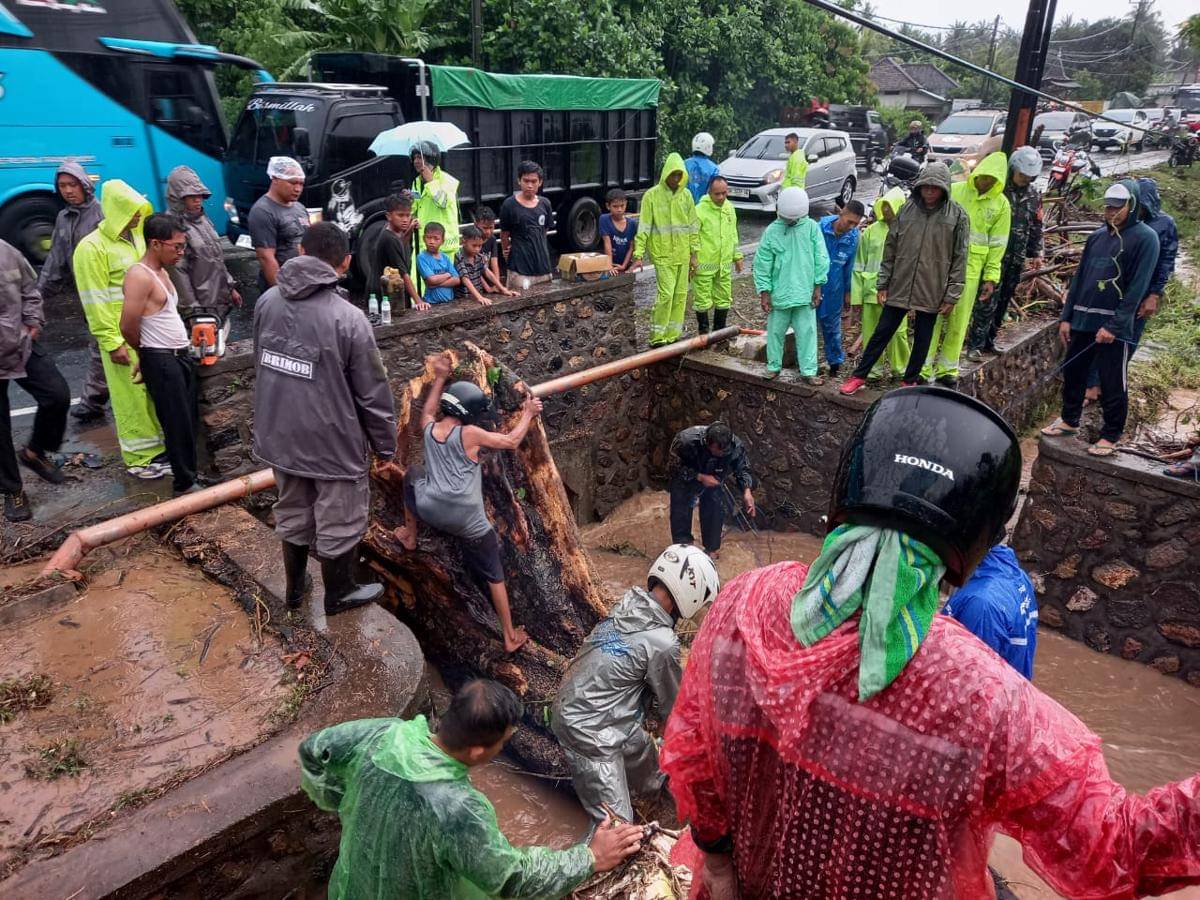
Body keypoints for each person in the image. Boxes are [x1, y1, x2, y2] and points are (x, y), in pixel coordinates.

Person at [662, 386, 1200, 900]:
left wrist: (719, 866)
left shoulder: (746, 602)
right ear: (976, 534)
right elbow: (1115, 846)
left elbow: (693, 750)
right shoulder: (982, 694)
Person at [300, 679, 645, 900]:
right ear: (479, 752)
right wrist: (588, 857)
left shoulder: (383, 734)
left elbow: (312, 751)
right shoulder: (457, 808)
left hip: (348, 888)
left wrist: (346, 804)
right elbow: (510, 879)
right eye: (503, 742)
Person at [253, 222, 397, 615]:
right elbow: (373, 393)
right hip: (331, 441)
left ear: (301, 250)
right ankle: (339, 592)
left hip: (279, 433)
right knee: (340, 515)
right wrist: (386, 447)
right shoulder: (348, 319)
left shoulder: (266, 302)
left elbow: (261, 365)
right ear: (345, 262)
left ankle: (295, 588)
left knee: (292, 506)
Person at [552, 545, 721, 823]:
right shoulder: (663, 642)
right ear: (692, 594)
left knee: (644, 755)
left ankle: (658, 804)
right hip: (588, 730)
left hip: (584, 706)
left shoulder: (626, 605)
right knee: (618, 830)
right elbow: (674, 710)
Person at [393, 352, 542, 653]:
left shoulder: (430, 429)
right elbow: (511, 441)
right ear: (470, 412)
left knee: (412, 474)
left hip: (430, 509)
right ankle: (509, 636)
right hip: (467, 522)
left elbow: (427, 411)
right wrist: (528, 413)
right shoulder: (470, 434)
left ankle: (409, 535)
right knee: (494, 574)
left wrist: (439, 378)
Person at [1041, 181, 1159, 457]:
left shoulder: (1146, 238)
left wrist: (1115, 325)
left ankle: (1111, 434)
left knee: (1112, 379)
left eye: (1117, 207)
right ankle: (1069, 420)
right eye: (1108, 207)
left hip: (1114, 326)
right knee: (1074, 371)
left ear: (1131, 205)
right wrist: (1067, 317)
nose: (1111, 212)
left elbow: (1137, 287)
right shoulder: (1097, 237)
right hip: (1084, 317)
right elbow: (1080, 278)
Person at [840, 162, 969, 395]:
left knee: (923, 336)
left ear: (944, 188)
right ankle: (859, 376)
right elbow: (890, 250)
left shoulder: (957, 216)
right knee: (882, 331)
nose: (929, 191)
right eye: (926, 186)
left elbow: (960, 257)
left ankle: (909, 381)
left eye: (935, 187)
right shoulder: (907, 211)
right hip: (901, 282)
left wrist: (952, 294)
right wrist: (883, 283)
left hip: (932, 285)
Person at [72, 179, 168, 478]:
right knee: (130, 397)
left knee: (152, 391)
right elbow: (94, 301)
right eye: (132, 211)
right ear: (117, 211)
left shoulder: (138, 237)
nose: (138, 216)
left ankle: (158, 449)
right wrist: (112, 342)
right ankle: (140, 459)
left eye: (140, 210)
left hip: (147, 330)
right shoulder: (91, 248)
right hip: (119, 334)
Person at [119, 214, 201, 497]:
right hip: (161, 358)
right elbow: (127, 325)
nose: (181, 252)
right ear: (155, 243)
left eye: (183, 246)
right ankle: (184, 483)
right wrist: (144, 354)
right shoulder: (139, 276)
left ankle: (191, 474)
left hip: (177, 355)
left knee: (188, 419)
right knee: (175, 422)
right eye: (176, 246)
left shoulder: (163, 272)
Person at [922, 151, 1011, 387]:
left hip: (971, 269)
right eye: (984, 177)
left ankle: (947, 368)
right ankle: (923, 365)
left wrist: (991, 277)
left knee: (959, 320)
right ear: (977, 174)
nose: (986, 182)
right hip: (942, 263)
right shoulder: (956, 191)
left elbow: (998, 244)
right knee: (932, 315)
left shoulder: (1001, 204)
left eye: (991, 179)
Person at [1084, 176, 1178, 401]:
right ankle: (1093, 384)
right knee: (1101, 336)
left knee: (1127, 339)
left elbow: (1166, 261)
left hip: (1141, 292)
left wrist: (1154, 294)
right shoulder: (1118, 222)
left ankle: (1109, 386)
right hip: (1113, 289)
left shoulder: (1163, 225)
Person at [1, 238, 70, 522]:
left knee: (57, 395)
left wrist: (33, 321)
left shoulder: (6, 252)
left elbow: (30, 289)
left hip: (20, 344)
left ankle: (34, 452)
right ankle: (12, 490)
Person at [38, 161, 107, 423]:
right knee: (103, 345)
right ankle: (96, 399)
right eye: (62, 186)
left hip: (110, 295)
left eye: (72, 185)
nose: (67, 191)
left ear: (84, 185)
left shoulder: (101, 214)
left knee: (106, 345)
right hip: (88, 297)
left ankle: (93, 400)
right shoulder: (63, 219)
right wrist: (37, 298)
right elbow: (55, 262)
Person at [967, 146, 1043, 360]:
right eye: (1022, 175)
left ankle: (990, 340)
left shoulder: (1033, 195)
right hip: (994, 256)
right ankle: (975, 345)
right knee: (986, 302)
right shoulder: (998, 190)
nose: (1025, 179)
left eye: (1029, 177)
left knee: (1003, 301)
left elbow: (1036, 224)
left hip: (1016, 258)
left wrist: (1037, 252)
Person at [753, 186, 829, 384]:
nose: (790, 222)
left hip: (804, 293)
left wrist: (818, 285)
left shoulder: (811, 228)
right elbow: (762, 263)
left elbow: (821, 258)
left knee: (807, 333)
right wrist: (764, 291)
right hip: (779, 294)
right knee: (775, 333)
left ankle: (809, 371)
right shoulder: (772, 231)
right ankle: (773, 367)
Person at [632, 153, 699, 347]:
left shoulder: (686, 196)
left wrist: (694, 254)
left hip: (682, 254)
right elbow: (644, 226)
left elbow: (693, 226)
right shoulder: (652, 196)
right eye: (673, 174)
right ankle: (657, 336)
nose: (676, 179)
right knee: (666, 294)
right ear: (665, 174)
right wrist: (639, 254)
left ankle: (673, 334)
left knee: (680, 295)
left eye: (679, 175)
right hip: (662, 254)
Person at [944, 543, 1038, 680]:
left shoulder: (980, 604)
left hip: (986, 685)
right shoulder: (1019, 575)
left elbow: (971, 672)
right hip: (1014, 678)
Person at [165, 165, 241, 324]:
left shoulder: (202, 219)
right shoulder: (173, 226)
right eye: (191, 195)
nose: (198, 199)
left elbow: (217, 260)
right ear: (178, 197)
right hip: (201, 311)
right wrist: (194, 314)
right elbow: (178, 274)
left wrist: (230, 288)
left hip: (219, 304)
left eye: (200, 194)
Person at [667, 423, 755, 559]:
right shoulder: (685, 441)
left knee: (715, 506)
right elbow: (673, 467)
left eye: (724, 450)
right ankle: (683, 547)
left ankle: (711, 548)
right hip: (687, 476)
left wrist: (747, 491)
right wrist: (700, 477)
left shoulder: (735, 446)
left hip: (714, 477)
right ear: (708, 443)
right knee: (681, 507)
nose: (721, 453)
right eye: (717, 449)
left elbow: (742, 469)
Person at [849, 188, 910, 382]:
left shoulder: (907, 232)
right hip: (870, 290)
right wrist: (857, 297)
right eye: (883, 206)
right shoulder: (871, 232)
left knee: (898, 333)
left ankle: (900, 369)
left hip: (897, 293)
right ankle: (873, 370)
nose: (885, 210)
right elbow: (859, 265)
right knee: (871, 332)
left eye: (889, 207)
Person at [816, 200, 864, 378]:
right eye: (849, 221)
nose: (851, 227)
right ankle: (807, 361)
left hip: (834, 288)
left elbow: (850, 267)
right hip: (813, 285)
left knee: (832, 327)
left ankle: (834, 362)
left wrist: (848, 292)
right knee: (808, 325)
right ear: (842, 212)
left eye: (855, 224)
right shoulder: (819, 229)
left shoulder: (853, 238)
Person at [248, 156, 309, 291]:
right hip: (284, 284)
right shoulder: (262, 211)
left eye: (301, 184)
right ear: (275, 179)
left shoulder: (300, 207)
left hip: (304, 281)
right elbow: (266, 258)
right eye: (293, 183)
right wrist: (281, 293)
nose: (298, 189)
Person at [692, 177, 743, 334]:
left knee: (724, 298)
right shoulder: (699, 210)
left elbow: (733, 234)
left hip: (724, 264)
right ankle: (704, 333)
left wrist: (737, 256)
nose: (721, 197)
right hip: (704, 264)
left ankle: (719, 333)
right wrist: (692, 258)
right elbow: (692, 237)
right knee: (702, 299)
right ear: (709, 192)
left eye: (724, 193)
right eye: (717, 194)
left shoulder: (729, 208)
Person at [500, 161, 555, 289]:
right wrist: (506, 252)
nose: (530, 185)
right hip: (519, 270)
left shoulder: (545, 204)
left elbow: (544, 232)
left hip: (543, 267)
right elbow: (504, 234)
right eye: (526, 181)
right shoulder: (509, 205)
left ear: (540, 182)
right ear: (519, 181)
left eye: (534, 181)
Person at [374, 192, 426, 310]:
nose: (405, 220)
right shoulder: (388, 238)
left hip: (393, 289)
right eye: (400, 215)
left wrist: (410, 229)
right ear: (389, 216)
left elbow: (401, 245)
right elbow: (403, 273)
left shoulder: (394, 231)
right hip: (386, 294)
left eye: (408, 215)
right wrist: (418, 301)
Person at [411, 141, 461, 259]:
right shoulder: (416, 182)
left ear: (431, 159)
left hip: (443, 247)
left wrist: (431, 182)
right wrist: (409, 205)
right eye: (414, 158)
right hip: (422, 244)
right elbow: (414, 206)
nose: (416, 161)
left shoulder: (448, 180)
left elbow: (443, 202)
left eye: (420, 157)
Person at [455, 225, 514, 305]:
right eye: (474, 245)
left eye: (480, 246)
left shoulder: (479, 256)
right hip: (464, 298)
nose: (477, 249)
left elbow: (488, 273)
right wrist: (479, 297)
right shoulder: (459, 257)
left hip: (478, 294)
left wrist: (503, 289)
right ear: (463, 241)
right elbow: (465, 279)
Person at [417, 222, 461, 306]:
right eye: (429, 238)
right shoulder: (422, 257)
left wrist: (435, 284)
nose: (431, 242)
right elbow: (431, 280)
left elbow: (457, 280)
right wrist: (448, 274)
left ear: (442, 241)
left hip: (450, 301)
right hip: (431, 303)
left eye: (436, 239)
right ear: (423, 238)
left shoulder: (445, 257)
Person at [599, 189, 639, 276]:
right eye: (615, 206)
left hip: (625, 264)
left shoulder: (632, 224)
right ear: (608, 206)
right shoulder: (604, 219)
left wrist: (624, 266)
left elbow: (631, 247)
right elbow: (607, 243)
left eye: (622, 205)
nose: (619, 209)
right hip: (609, 263)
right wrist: (609, 265)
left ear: (626, 204)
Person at [684, 132, 720, 203]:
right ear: (708, 146)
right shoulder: (714, 168)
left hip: (685, 204)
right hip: (704, 206)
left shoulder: (684, 163)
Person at [472, 206, 504, 285]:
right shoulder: (471, 241)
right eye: (485, 228)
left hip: (489, 279)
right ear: (475, 224)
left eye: (491, 228)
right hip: (475, 281)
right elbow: (474, 269)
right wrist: (488, 288)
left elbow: (494, 263)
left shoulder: (492, 239)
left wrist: (497, 284)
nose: (488, 232)